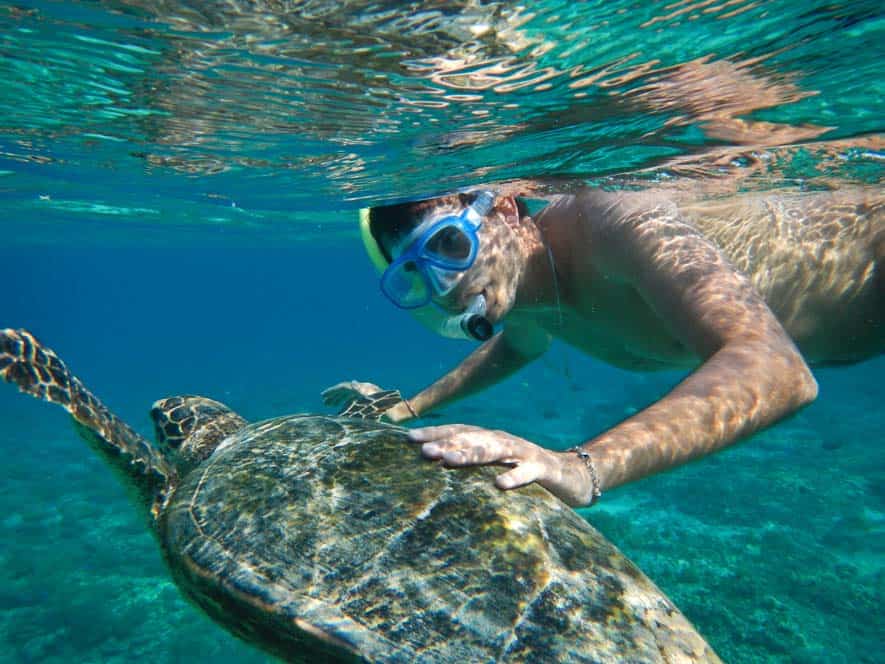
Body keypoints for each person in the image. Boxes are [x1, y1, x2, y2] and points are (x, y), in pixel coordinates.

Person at [323, 187, 884, 507]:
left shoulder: (611, 222)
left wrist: (577, 468)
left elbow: (776, 368)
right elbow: (519, 346)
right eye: (417, 276)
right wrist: (406, 410)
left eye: (449, 245)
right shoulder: (527, 290)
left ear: (505, 210)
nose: (444, 288)